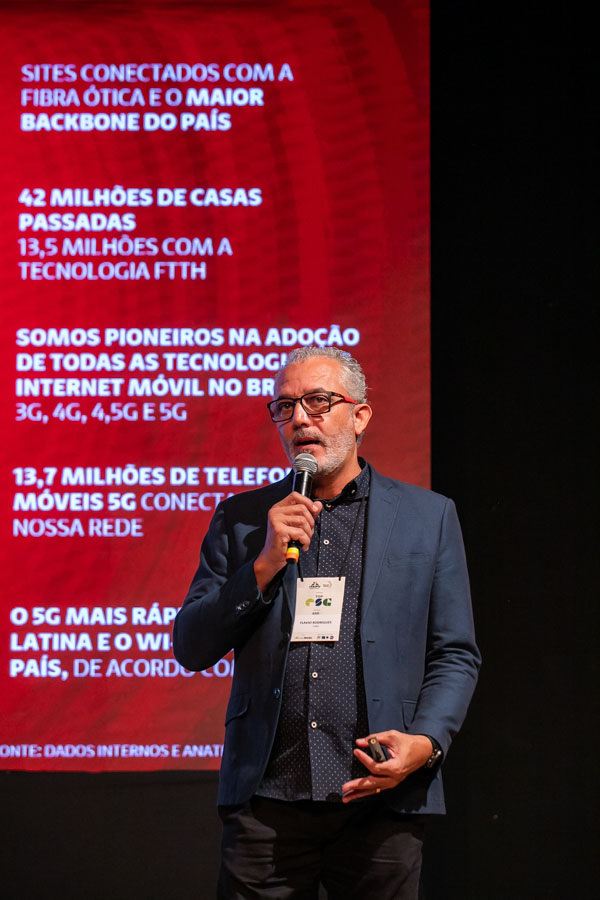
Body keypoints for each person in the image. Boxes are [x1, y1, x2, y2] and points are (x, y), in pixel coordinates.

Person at [173, 346, 480, 899]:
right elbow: (192, 646)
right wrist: (263, 566)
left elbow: (454, 653)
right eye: (284, 407)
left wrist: (427, 742)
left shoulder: (428, 517)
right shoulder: (243, 519)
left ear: (360, 416)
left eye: (317, 401)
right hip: (267, 801)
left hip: (381, 794)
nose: (299, 419)